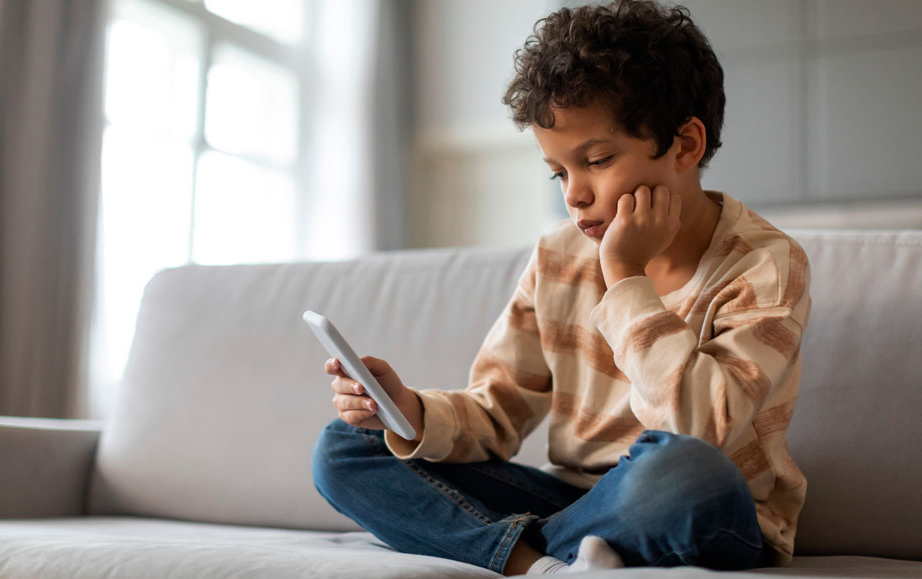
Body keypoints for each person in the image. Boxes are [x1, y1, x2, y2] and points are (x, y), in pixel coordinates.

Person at [311, 0, 811, 575]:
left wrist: (625, 276)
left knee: (684, 474)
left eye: (596, 160)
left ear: (686, 145)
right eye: (559, 172)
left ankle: (520, 548)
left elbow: (699, 431)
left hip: (692, 504)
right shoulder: (557, 255)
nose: (573, 195)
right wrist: (410, 412)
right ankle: (539, 564)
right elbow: (496, 413)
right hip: (571, 498)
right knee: (344, 448)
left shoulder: (766, 266)